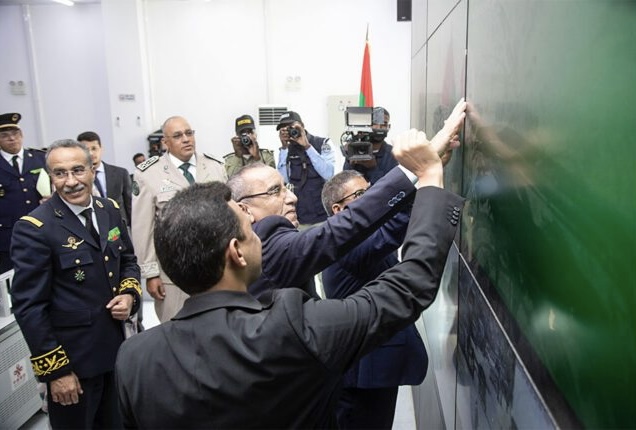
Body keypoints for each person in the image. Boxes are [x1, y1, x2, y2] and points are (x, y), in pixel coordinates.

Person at [115, 122, 465, 428]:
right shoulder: (292, 327)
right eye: (250, 230)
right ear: (237, 252)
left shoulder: (134, 359)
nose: (290, 200)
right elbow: (408, 286)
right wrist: (430, 178)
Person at [227, 98, 466, 299]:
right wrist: (423, 170)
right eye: (275, 191)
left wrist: (427, 170)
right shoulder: (274, 249)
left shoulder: (319, 146)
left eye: (286, 187)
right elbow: (378, 227)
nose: (292, 197)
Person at [10, 139, 141, 429]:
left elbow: (127, 260)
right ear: (50, 177)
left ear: (93, 169)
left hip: (117, 353)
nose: (71, 182)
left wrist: (129, 294)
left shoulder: (108, 209)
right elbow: (29, 307)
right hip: (74, 366)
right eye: (60, 173)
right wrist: (57, 372)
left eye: (78, 170)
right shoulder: (35, 228)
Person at [321, 169, 425, 429]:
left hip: (376, 370)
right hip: (364, 374)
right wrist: (424, 174)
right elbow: (397, 225)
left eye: (371, 190)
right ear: (338, 210)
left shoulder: (358, 239)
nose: (371, 198)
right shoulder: (343, 245)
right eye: (361, 194)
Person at [131, 115, 227, 322]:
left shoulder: (215, 166)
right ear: (165, 142)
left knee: (218, 324)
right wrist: (151, 274)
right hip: (173, 273)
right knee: (176, 326)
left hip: (216, 266)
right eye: (177, 136)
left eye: (189, 133)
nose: (186, 139)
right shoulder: (148, 174)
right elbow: (143, 228)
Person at [0, 112, 47, 273]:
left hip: (41, 231)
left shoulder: (40, 158)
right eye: (5, 135)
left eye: (15, 133)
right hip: (7, 237)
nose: (12, 138)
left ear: (22, 135)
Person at [276, 110, 335, 227]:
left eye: (291, 126)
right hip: (299, 215)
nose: (288, 130)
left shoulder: (322, 143)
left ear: (302, 126)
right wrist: (284, 148)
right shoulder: (287, 150)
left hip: (322, 214)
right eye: (284, 128)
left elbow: (328, 174)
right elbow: (284, 179)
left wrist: (307, 147)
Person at [77, 131, 132, 226]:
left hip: (120, 226)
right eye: (86, 150)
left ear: (101, 149)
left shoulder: (120, 173)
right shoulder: (77, 178)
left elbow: (130, 205)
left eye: (94, 148)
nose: (91, 153)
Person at [343, 107, 398, 184]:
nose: (379, 128)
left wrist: (373, 168)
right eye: (374, 124)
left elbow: (390, 187)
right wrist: (350, 163)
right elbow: (345, 183)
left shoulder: (393, 153)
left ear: (388, 127)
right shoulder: (354, 148)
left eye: (383, 124)